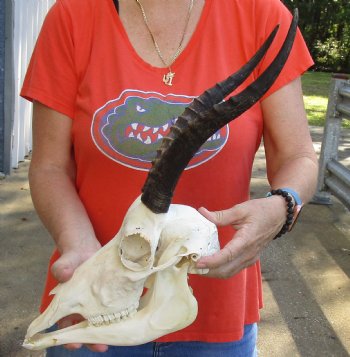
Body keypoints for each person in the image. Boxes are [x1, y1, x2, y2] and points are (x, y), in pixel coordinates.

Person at [21, 0, 318, 355]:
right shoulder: (72, 16)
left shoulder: (261, 16)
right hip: (97, 304)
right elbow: (50, 166)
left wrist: (283, 205)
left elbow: (297, 156)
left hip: (216, 316)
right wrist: (77, 245)